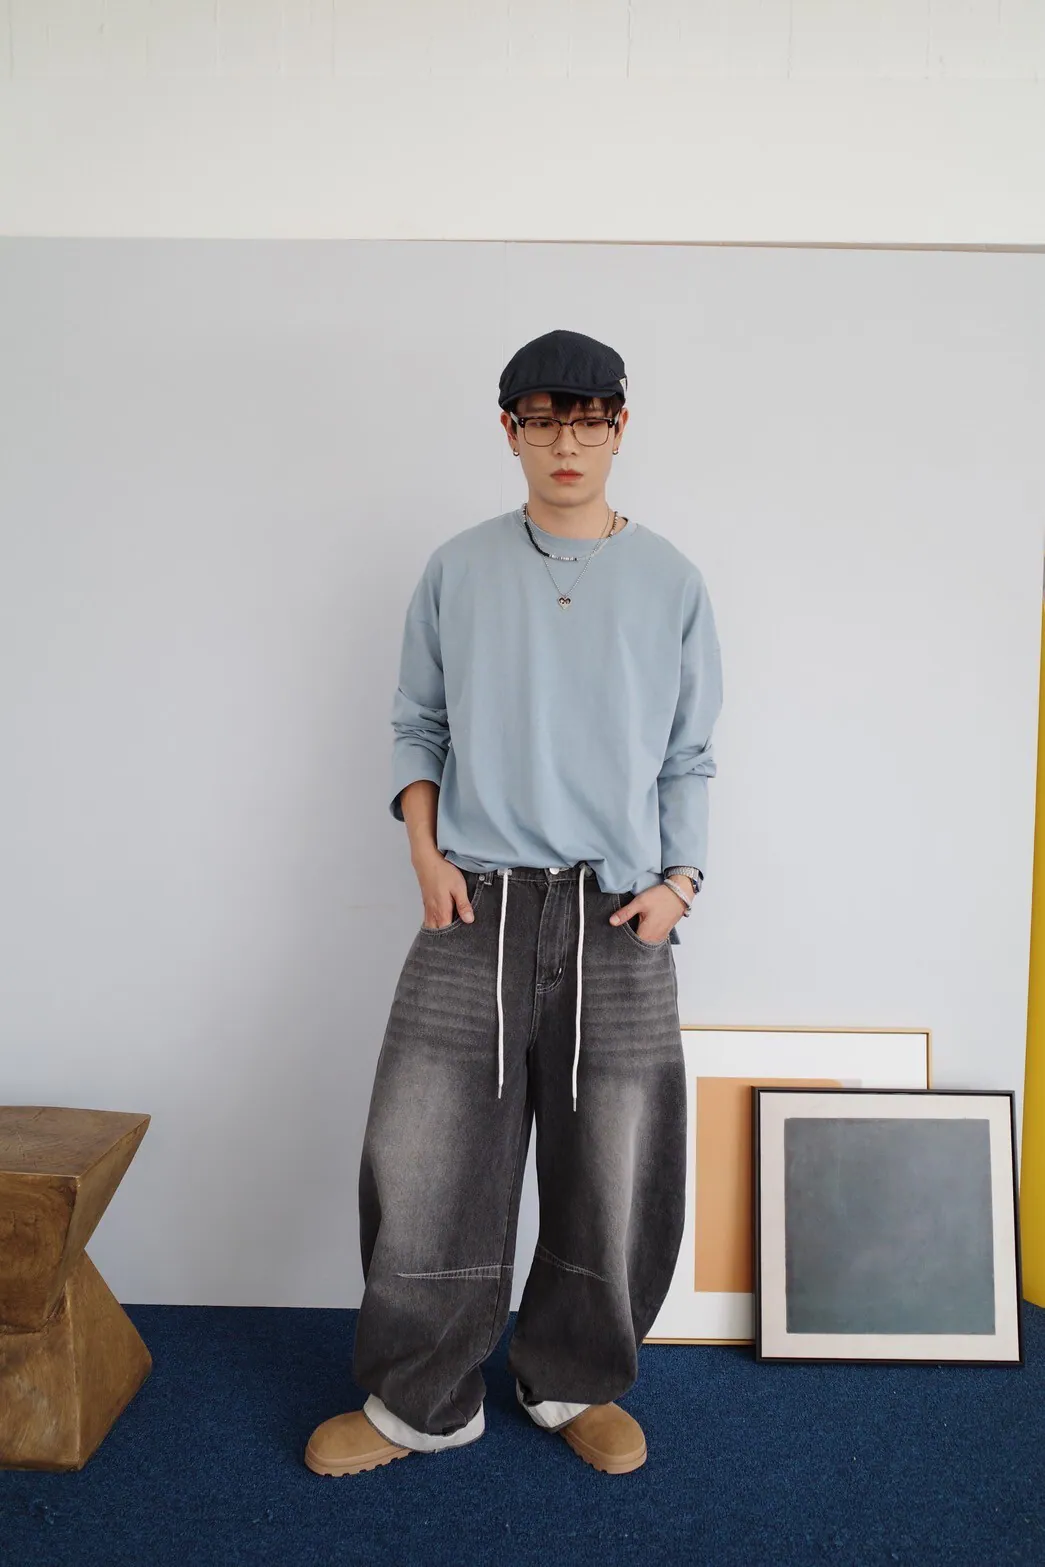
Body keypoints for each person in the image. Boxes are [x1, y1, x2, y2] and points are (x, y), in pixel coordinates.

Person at [305, 328, 723, 1478]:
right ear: (510, 431)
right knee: (424, 1159)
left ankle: (573, 1379)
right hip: (471, 906)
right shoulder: (458, 567)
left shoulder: (672, 580)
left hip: (619, 915)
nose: (566, 441)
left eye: (588, 418)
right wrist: (424, 853)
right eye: (542, 419)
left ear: (620, 427)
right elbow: (417, 723)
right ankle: (420, 1400)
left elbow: (687, 755)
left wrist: (680, 884)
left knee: (615, 1174)